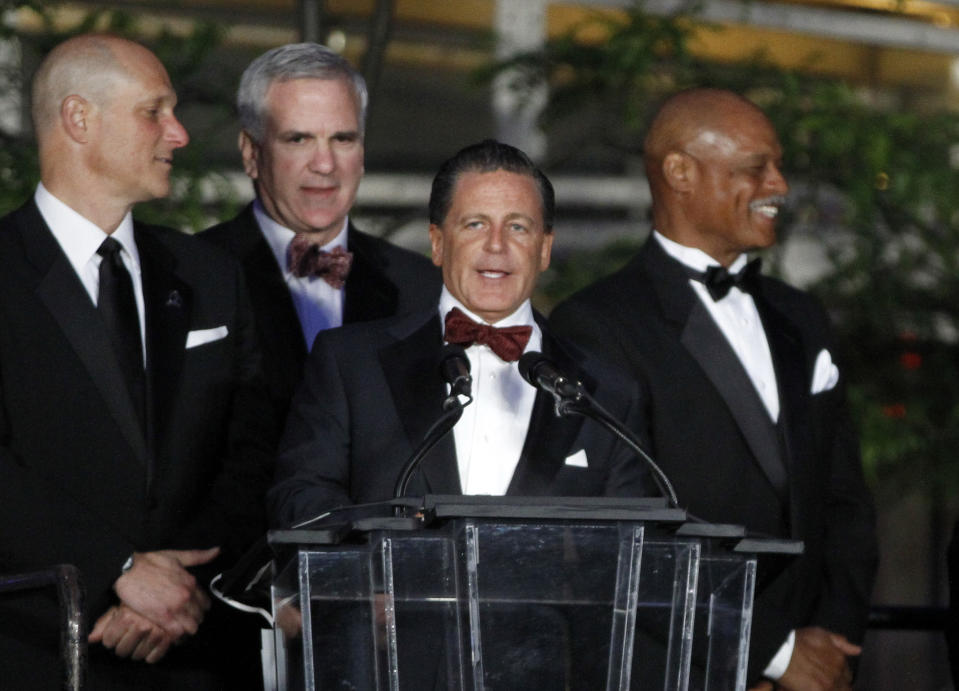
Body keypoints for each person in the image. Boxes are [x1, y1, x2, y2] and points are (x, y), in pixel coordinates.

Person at [549, 88, 879, 690]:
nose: (778, 185)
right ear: (679, 172)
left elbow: (846, 503)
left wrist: (830, 650)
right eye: (756, 167)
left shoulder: (801, 316)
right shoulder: (596, 324)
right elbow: (626, 534)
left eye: (778, 166)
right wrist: (771, 655)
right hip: (680, 672)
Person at [0, 34, 274, 689]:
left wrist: (184, 587)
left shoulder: (210, 276)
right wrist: (116, 569)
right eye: (153, 111)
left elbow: (254, 449)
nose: (177, 134)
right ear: (78, 118)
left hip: (195, 653)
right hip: (32, 652)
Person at [267, 138, 655, 528]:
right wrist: (383, 561)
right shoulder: (350, 364)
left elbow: (631, 544)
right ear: (437, 242)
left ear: (544, 249)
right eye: (475, 224)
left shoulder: (607, 394)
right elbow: (301, 497)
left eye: (518, 227)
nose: (497, 245)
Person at [201, 43, 441, 426]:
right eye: (299, 139)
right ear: (250, 152)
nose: (325, 164)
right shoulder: (194, 276)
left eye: (342, 139)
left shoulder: (423, 289)